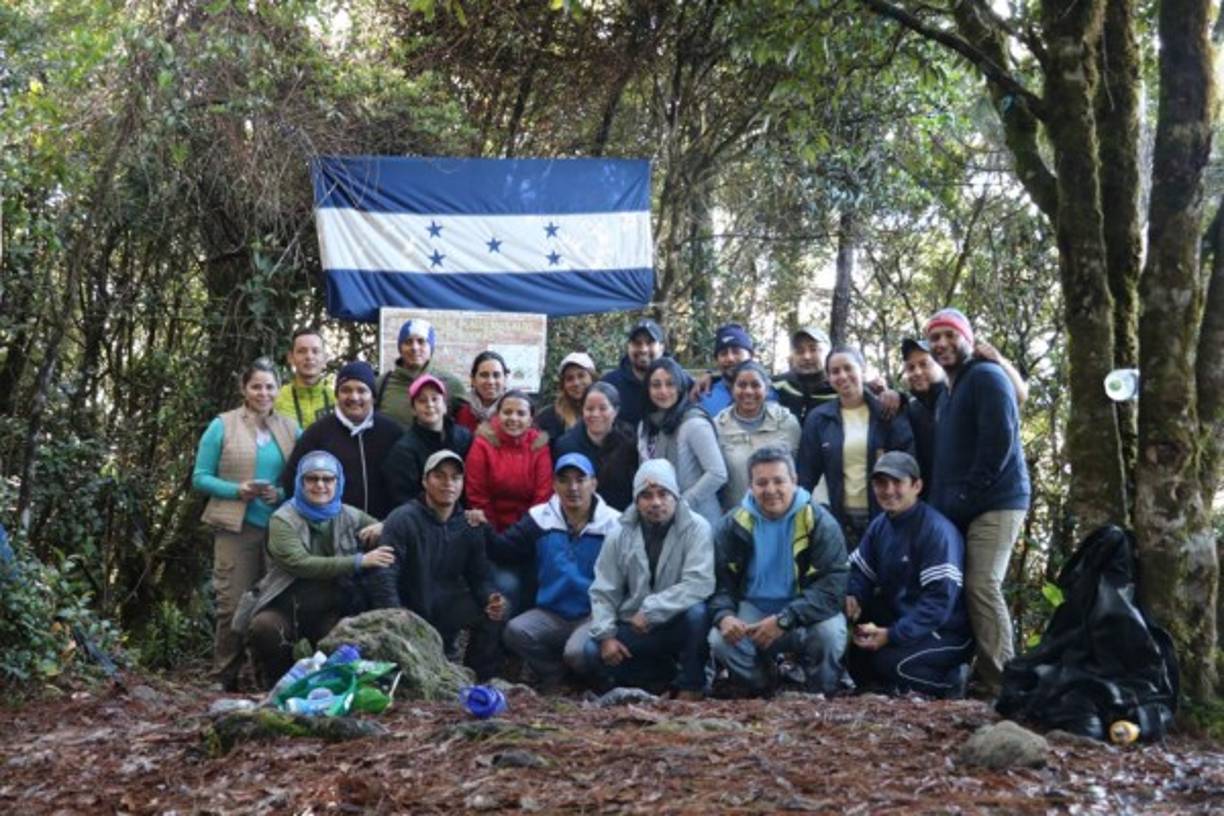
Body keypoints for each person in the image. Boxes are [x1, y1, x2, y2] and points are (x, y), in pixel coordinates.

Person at [924, 307, 1030, 696]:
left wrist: (968, 492)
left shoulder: (986, 376)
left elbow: (999, 440)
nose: (942, 344)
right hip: (960, 506)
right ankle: (980, 675)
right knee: (960, 585)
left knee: (982, 584)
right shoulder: (948, 391)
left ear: (968, 339)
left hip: (997, 500)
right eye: (935, 338)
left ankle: (1004, 683)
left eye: (950, 335)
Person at [238, 451, 394, 689]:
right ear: (300, 483)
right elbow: (301, 564)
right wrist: (358, 561)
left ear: (338, 482)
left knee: (345, 642)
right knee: (265, 628)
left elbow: (393, 531)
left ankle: (328, 688)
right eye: (312, 479)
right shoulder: (282, 520)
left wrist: (384, 526)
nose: (320, 485)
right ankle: (274, 684)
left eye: (327, 479)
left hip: (331, 610)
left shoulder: (350, 515)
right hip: (285, 607)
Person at [193, 356, 298, 691]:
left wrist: (280, 493)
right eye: (256, 386)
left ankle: (268, 677)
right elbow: (200, 477)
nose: (263, 393)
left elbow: (303, 477)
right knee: (232, 604)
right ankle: (224, 675)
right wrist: (237, 490)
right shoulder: (222, 425)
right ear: (243, 388)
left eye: (269, 387)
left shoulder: (290, 428)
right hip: (236, 528)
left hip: (279, 528)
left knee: (274, 604)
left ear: (279, 389)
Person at [708, 448, 848, 696]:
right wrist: (724, 615)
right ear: (750, 486)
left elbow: (832, 587)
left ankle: (823, 691)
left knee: (829, 633)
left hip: (802, 612)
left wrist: (785, 619)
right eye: (761, 483)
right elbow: (719, 582)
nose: (770, 490)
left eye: (779, 481)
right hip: (753, 610)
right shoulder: (732, 524)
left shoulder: (820, 522)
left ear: (794, 481)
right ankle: (761, 686)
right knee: (719, 639)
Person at [845, 452, 974, 698]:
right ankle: (888, 687)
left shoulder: (936, 531)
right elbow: (860, 571)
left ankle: (953, 682)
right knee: (858, 653)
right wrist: (854, 595)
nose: (888, 490)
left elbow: (938, 604)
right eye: (881, 483)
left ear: (917, 486)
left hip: (946, 631)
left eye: (897, 482)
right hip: (904, 617)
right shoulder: (880, 525)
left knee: (889, 664)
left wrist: (891, 635)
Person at [369, 450, 506, 680]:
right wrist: (395, 614)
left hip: (446, 606)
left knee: (494, 613)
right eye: (439, 476)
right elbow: (384, 574)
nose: (448, 483)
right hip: (408, 607)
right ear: (425, 481)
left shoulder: (469, 524)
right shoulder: (402, 519)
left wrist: (490, 598)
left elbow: (479, 577)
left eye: (455, 477)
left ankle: (477, 679)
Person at [584, 459, 714, 699]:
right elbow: (603, 590)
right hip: (635, 625)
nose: (655, 502)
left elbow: (700, 582)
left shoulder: (697, 528)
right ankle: (657, 679)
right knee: (592, 650)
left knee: (698, 614)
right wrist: (606, 636)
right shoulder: (619, 534)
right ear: (636, 500)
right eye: (646, 495)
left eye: (663, 494)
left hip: (675, 622)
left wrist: (653, 610)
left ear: (675, 496)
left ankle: (691, 685)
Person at [494, 453, 621, 692]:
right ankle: (556, 676)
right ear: (554, 485)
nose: (572, 488)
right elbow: (503, 548)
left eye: (580, 480)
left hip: (594, 614)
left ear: (593, 483)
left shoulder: (614, 524)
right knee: (515, 631)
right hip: (552, 612)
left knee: (577, 653)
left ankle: (594, 682)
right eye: (564, 480)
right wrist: (477, 524)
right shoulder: (540, 518)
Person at [797, 346, 914, 547]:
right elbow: (806, 474)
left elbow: (908, 465)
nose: (842, 376)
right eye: (835, 371)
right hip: (841, 522)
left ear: (862, 368)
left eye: (848, 368)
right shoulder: (819, 419)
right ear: (829, 378)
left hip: (888, 517)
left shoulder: (887, 412)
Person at [901, 337, 1029, 486]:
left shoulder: (961, 392)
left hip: (981, 489)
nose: (917, 372)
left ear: (940, 365)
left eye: (924, 364)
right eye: (911, 368)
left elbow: (1018, 396)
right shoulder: (912, 410)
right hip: (935, 494)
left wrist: (1000, 361)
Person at [283, 361, 403, 520]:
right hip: (332, 529)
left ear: (373, 396)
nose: (354, 397)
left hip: (383, 527)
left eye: (361, 390)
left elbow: (404, 485)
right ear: (337, 395)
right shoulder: (317, 433)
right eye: (346, 390)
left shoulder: (392, 432)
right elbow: (292, 480)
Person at [637, 357, 727, 527]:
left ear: (680, 386)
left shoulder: (694, 423)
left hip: (699, 519)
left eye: (670, 384)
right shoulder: (646, 426)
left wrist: (681, 504)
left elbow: (717, 473)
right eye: (656, 385)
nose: (663, 391)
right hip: (660, 520)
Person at [715, 361, 801, 512]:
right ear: (732, 389)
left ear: (766, 389)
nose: (748, 391)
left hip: (782, 513)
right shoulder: (718, 427)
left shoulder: (786, 422)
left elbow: (799, 468)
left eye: (755, 385)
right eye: (742, 385)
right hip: (737, 514)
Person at [465, 390, 553, 532]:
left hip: (529, 528)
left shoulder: (539, 445)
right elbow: (477, 494)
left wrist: (521, 532)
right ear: (498, 415)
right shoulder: (482, 444)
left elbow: (542, 495)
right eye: (507, 412)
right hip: (488, 527)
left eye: (521, 413)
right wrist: (493, 532)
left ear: (530, 420)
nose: (513, 418)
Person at [382, 374, 473, 508]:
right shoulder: (404, 451)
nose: (429, 405)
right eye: (422, 400)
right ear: (413, 410)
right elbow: (403, 499)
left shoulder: (464, 438)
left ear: (445, 405)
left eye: (435, 399)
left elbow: (473, 482)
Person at [554, 382, 639, 512]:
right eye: (589, 409)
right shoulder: (566, 446)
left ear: (615, 411)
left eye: (602, 408)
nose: (595, 414)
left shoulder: (630, 441)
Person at [375, 318, 466, 428]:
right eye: (408, 342)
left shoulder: (452, 384)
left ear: (431, 348)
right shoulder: (381, 384)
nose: (414, 347)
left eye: (421, 341)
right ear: (400, 348)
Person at [695, 323, 777, 416]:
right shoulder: (704, 393)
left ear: (751, 356)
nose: (730, 358)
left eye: (736, 352)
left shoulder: (774, 390)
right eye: (723, 353)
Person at [601, 318, 667, 428]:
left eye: (650, 343)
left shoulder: (678, 383)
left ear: (661, 347)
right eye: (637, 343)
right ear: (628, 347)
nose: (643, 349)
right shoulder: (609, 384)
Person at [772, 326, 837, 425]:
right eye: (799, 351)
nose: (806, 357)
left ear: (828, 353)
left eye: (813, 349)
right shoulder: (776, 385)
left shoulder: (838, 390)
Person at [273, 327, 333, 428]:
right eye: (302, 351)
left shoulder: (337, 400)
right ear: (290, 358)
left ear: (325, 359)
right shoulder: (276, 401)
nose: (309, 356)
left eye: (315, 351)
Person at [536, 351, 598, 443]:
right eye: (570, 378)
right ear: (563, 385)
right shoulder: (548, 417)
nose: (576, 383)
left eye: (581, 376)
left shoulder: (605, 412)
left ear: (592, 378)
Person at [454, 350, 508, 433]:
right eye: (484, 375)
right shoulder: (461, 413)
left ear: (505, 379)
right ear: (473, 380)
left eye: (496, 375)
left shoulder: (514, 412)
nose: (490, 381)